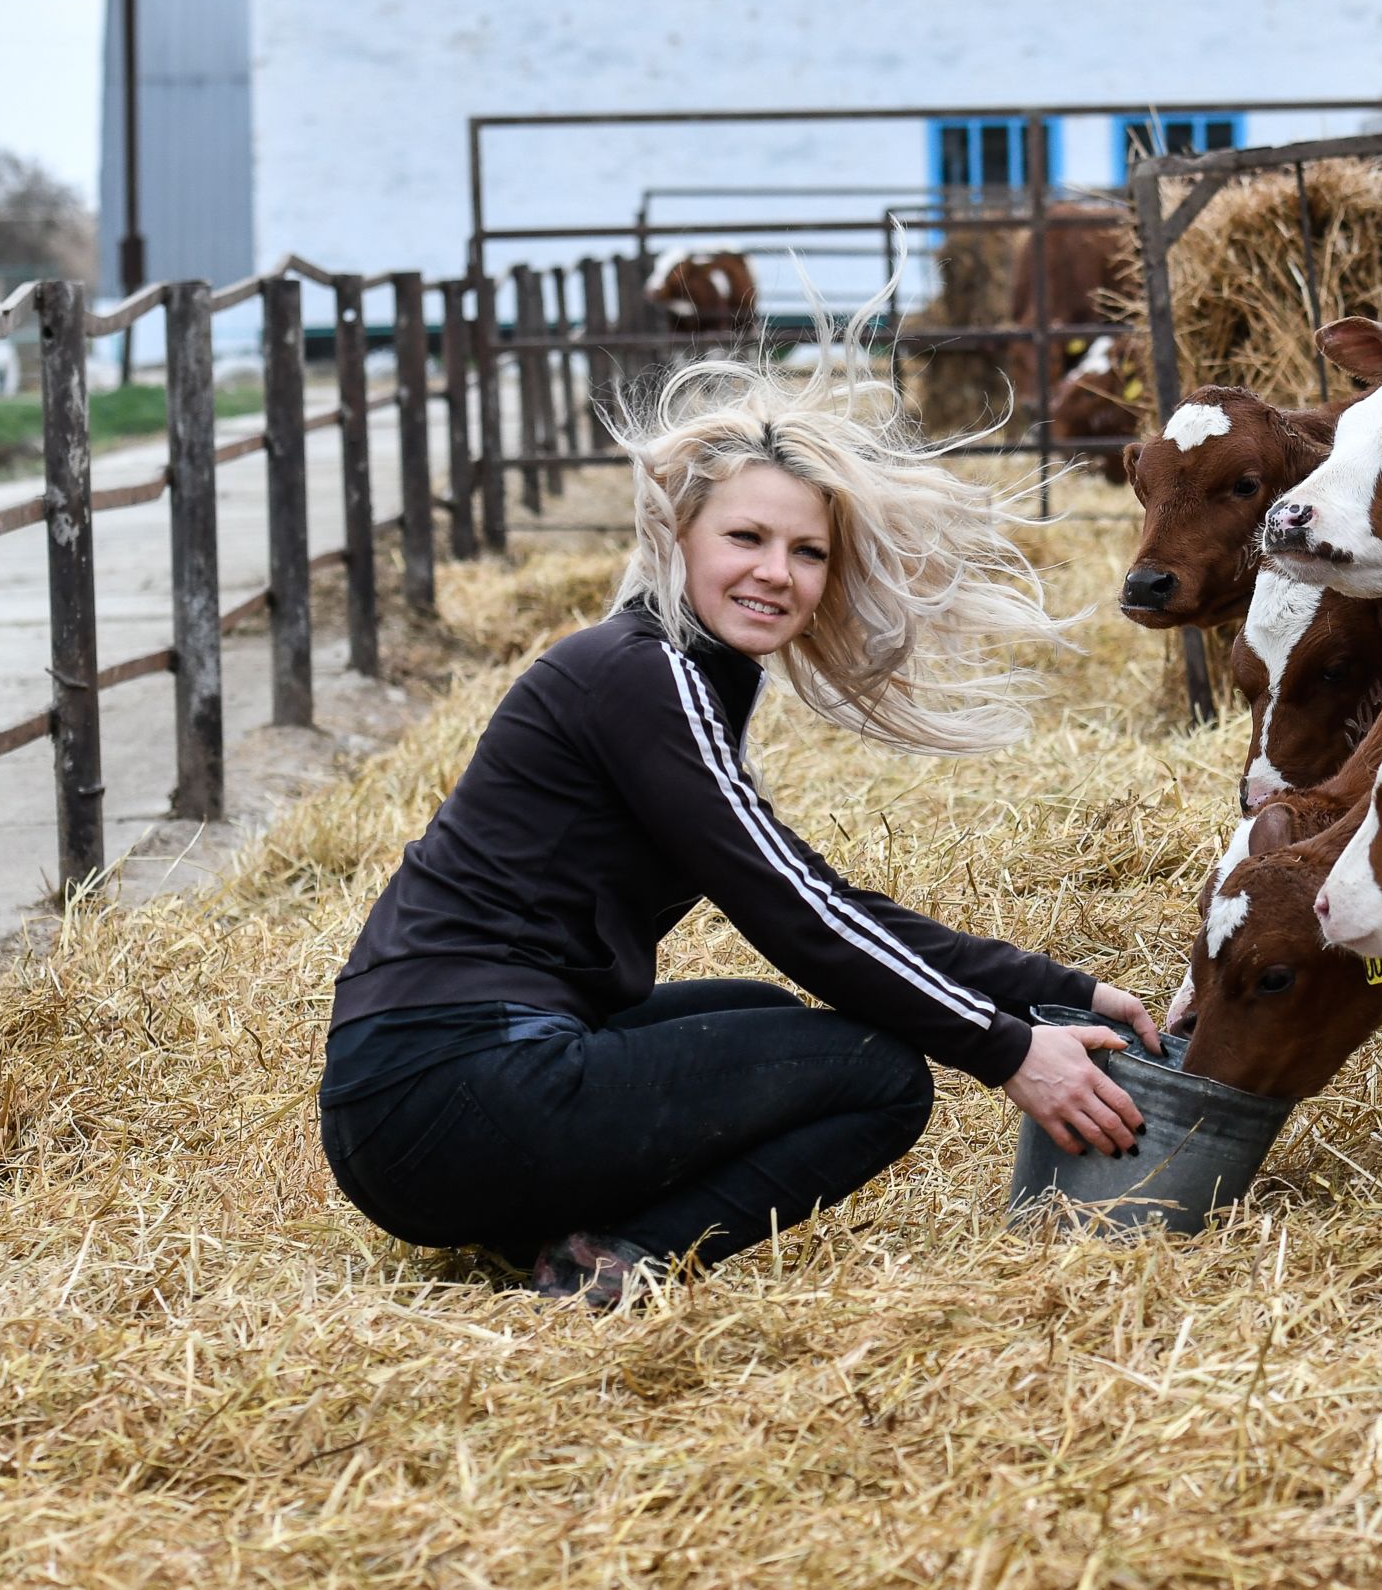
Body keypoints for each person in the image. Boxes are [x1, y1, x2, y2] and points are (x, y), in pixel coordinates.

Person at [320, 326, 1156, 1307]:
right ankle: (612, 1263)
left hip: (420, 1098)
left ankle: (554, 1227)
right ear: (679, 537)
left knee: (766, 1018)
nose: (778, 573)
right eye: (746, 538)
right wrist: (1008, 1049)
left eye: (808, 552)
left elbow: (819, 895)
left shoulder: (673, 674)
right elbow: (795, 910)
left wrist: (1059, 989)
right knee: (878, 1074)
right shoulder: (641, 673)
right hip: (452, 1090)